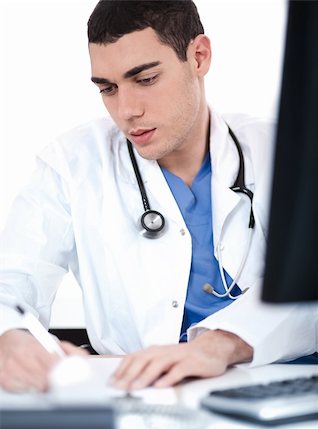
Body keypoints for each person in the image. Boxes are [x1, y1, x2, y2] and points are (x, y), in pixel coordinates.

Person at [0, 0, 316, 393]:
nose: (127, 110)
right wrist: (10, 336)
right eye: (108, 88)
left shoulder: (284, 150)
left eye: (146, 79)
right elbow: (10, 282)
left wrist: (221, 344)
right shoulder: (72, 163)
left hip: (278, 392)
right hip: (140, 398)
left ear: (199, 56)